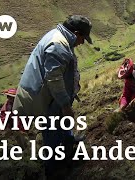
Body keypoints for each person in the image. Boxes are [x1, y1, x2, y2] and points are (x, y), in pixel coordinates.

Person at [12, 15, 92, 178]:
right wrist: (65, 104)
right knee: (51, 130)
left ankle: (69, 142)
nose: (82, 42)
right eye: (83, 38)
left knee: (61, 123)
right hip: (45, 97)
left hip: (49, 95)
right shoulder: (58, 45)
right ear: (76, 33)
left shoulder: (59, 36)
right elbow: (54, 79)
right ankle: (53, 168)